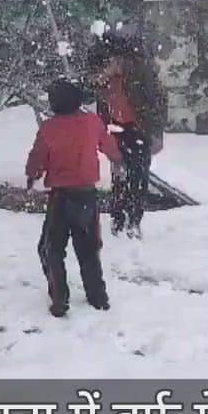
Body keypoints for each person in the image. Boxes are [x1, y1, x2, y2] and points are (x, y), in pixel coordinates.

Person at [26, 78, 122, 317]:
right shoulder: (92, 122)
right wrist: (118, 159)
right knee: (88, 249)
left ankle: (60, 298)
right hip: (87, 196)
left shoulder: (49, 128)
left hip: (60, 198)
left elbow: (37, 159)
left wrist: (33, 174)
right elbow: (109, 147)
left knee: (52, 249)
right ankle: (98, 297)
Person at [89, 29, 168, 239]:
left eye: (103, 69)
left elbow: (157, 103)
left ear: (115, 61)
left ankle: (134, 220)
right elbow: (103, 108)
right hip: (116, 130)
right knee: (118, 177)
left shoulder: (140, 74)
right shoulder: (106, 81)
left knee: (138, 177)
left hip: (139, 130)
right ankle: (118, 219)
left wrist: (156, 133)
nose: (99, 77)